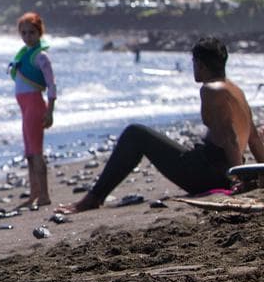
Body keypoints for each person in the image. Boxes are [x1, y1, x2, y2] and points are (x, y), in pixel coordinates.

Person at [59, 37, 264, 213]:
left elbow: (230, 137)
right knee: (148, 138)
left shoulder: (210, 89)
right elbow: (253, 137)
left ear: (200, 64)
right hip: (216, 168)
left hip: (207, 173)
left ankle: (93, 198)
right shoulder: (236, 90)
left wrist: (237, 180)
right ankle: (94, 197)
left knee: (135, 133)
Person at [8, 11, 56, 207]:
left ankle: (44, 194)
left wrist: (50, 110)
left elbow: (52, 84)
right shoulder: (25, 54)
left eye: (32, 33)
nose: (28, 37)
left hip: (35, 106)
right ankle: (34, 192)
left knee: (36, 152)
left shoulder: (41, 56)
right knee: (29, 153)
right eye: (24, 33)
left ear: (39, 33)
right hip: (25, 108)